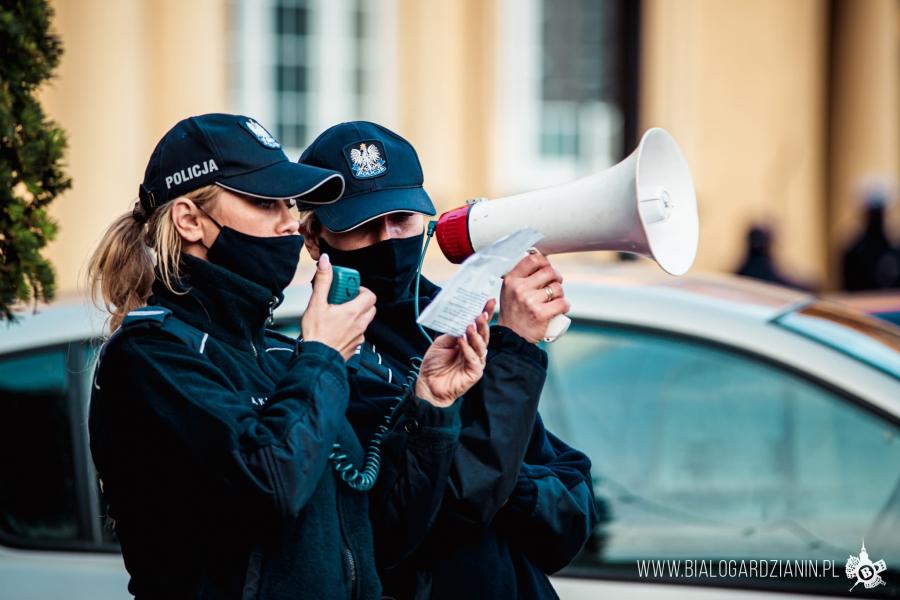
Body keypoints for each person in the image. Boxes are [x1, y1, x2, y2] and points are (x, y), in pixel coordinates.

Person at [87, 113, 492, 599]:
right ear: (190, 220)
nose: (289, 222)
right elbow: (269, 484)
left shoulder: (278, 354)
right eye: (264, 202)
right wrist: (322, 353)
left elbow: (383, 533)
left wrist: (430, 404)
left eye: (288, 203)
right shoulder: (149, 356)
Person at [298, 120, 598, 599]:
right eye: (361, 227)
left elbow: (572, 516)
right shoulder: (324, 357)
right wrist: (516, 349)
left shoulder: (455, 320)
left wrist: (502, 483)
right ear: (314, 239)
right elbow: (442, 519)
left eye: (402, 220)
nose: (388, 239)